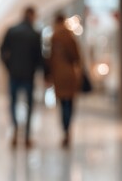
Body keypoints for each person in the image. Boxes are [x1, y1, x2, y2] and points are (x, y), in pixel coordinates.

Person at [0, 6, 43, 148]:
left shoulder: (12, 31)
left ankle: (15, 128)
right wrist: (38, 70)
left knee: (13, 103)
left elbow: (2, 51)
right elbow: (39, 57)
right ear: (32, 15)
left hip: (14, 74)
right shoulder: (35, 34)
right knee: (29, 105)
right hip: (28, 76)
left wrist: (9, 67)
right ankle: (27, 136)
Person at [50, 14, 82, 148]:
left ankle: (65, 130)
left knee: (62, 104)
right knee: (70, 103)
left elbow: (50, 59)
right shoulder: (70, 37)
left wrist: (49, 75)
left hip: (58, 75)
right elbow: (77, 57)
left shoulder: (54, 38)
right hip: (70, 75)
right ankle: (68, 129)